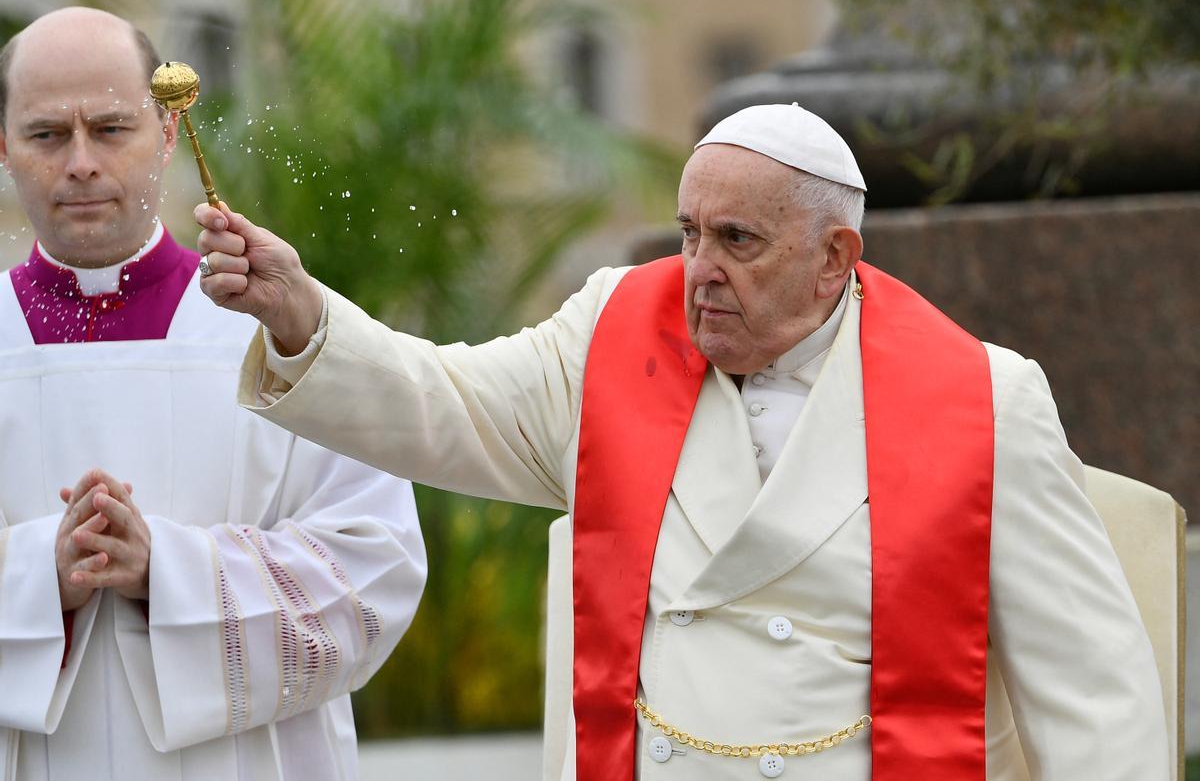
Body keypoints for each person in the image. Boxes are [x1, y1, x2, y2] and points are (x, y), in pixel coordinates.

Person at [194, 100, 1168, 779]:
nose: (697, 269)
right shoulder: (614, 331)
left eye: (737, 240)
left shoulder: (984, 398)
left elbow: (1096, 696)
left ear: (836, 258)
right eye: (688, 232)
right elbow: (445, 401)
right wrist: (300, 313)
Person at [0, 8, 426, 781]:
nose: (82, 163)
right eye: (46, 135)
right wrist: (42, 578)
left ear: (166, 133)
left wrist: (166, 570)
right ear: (2, 146)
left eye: (110, 127)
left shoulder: (277, 330)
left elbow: (378, 570)